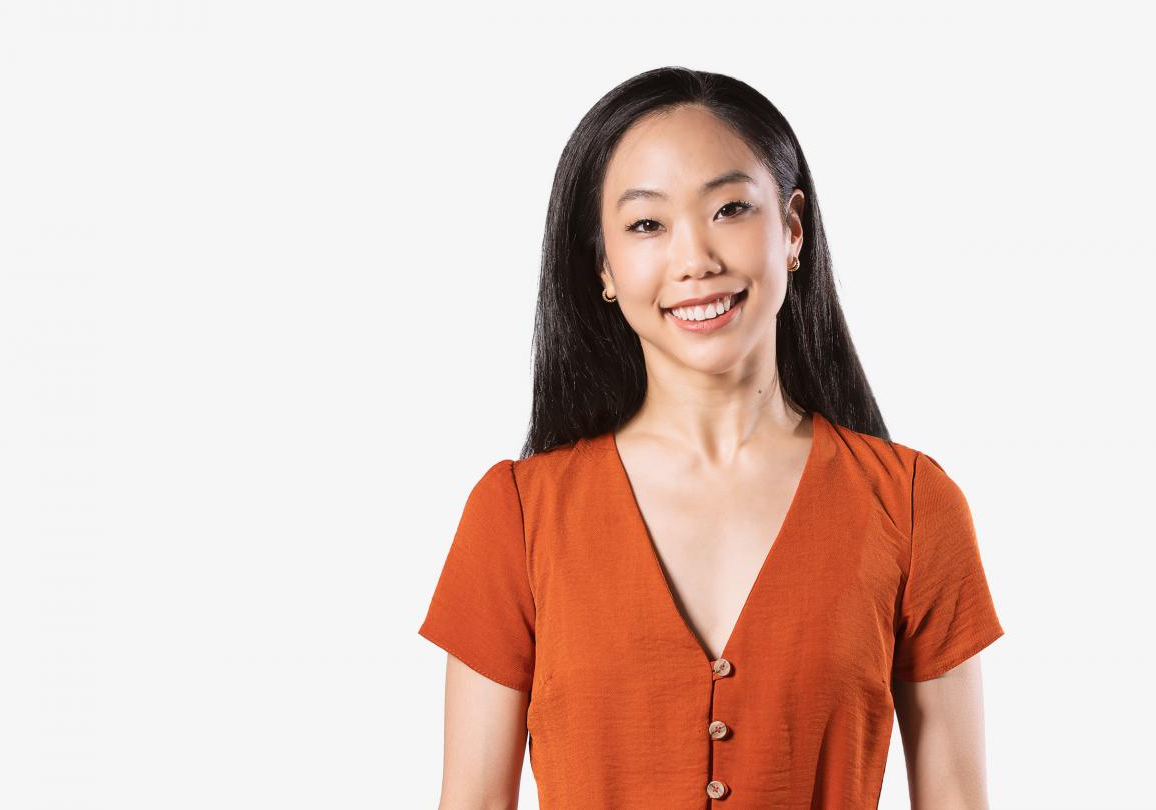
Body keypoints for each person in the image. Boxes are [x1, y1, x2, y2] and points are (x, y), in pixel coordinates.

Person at [418, 66, 1005, 810]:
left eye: (730, 208)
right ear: (602, 263)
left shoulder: (916, 506)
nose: (695, 259)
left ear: (791, 229)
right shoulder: (516, 515)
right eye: (646, 225)